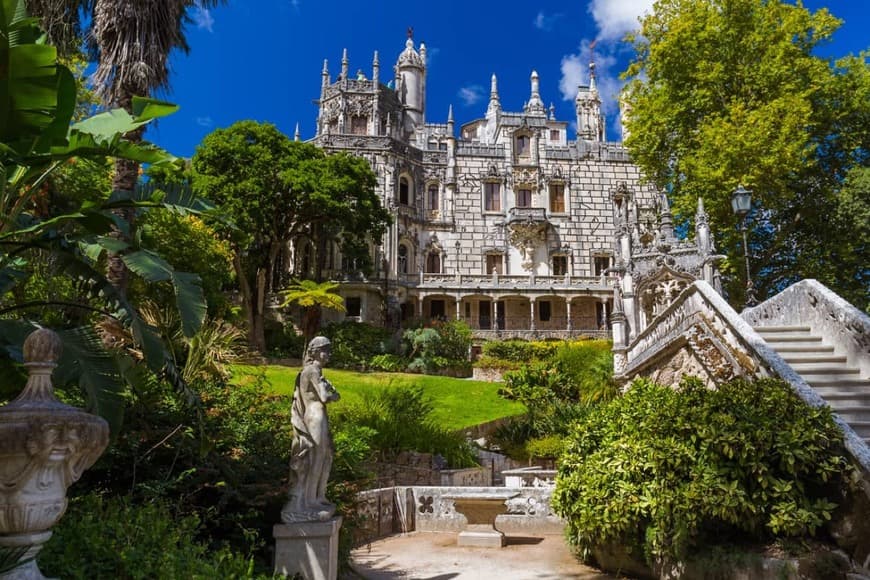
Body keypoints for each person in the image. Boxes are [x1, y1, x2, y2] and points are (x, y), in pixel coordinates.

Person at [281, 336, 340, 522]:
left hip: (316, 416)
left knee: (323, 456)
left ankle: (316, 497)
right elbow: (323, 397)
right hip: (315, 415)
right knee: (317, 457)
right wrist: (333, 394)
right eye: (325, 351)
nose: (328, 355)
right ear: (315, 352)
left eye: (329, 351)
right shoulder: (313, 371)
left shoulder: (313, 371)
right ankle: (310, 500)